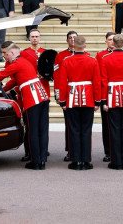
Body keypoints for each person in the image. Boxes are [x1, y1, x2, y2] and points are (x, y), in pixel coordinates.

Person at [0, 41, 50, 170]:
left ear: (12, 53)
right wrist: (5, 90)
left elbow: (0, 76)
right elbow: (15, 80)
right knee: (41, 130)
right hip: (42, 97)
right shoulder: (23, 62)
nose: (4, 56)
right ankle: (41, 160)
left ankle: (35, 161)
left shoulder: (17, 63)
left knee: (33, 131)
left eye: (5, 53)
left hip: (32, 98)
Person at [58, 34, 101, 170]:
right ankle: (86, 160)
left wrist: (63, 101)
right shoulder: (92, 61)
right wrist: (97, 101)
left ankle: (76, 160)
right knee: (86, 130)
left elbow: (62, 83)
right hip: (88, 98)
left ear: (73, 45)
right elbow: (97, 83)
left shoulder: (66, 61)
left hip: (72, 98)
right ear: (85, 46)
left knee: (74, 130)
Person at [99, 34, 123, 170]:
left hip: (111, 96)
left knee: (114, 130)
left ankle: (115, 161)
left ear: (113, 44)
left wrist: (104, 100)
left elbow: (103, 81)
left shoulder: (105, 59)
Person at [53, 31, 77, 160]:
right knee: (69, 124)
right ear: (67, 40)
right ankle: (70, 150)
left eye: (74, 38)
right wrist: (58, 95)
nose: (72, 40)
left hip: (81, 94)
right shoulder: (61, 56)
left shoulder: (87, 55)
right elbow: (57, 77)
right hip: (67, 94)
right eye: (70, 38)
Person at [96, 32, 115, 162]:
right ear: (106, 42)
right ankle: (108, 152)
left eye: (114, 39)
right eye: (109, 40)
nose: (112, 42)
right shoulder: (100, 55)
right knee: (106, 125)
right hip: (106, 94)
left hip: (119, 94)